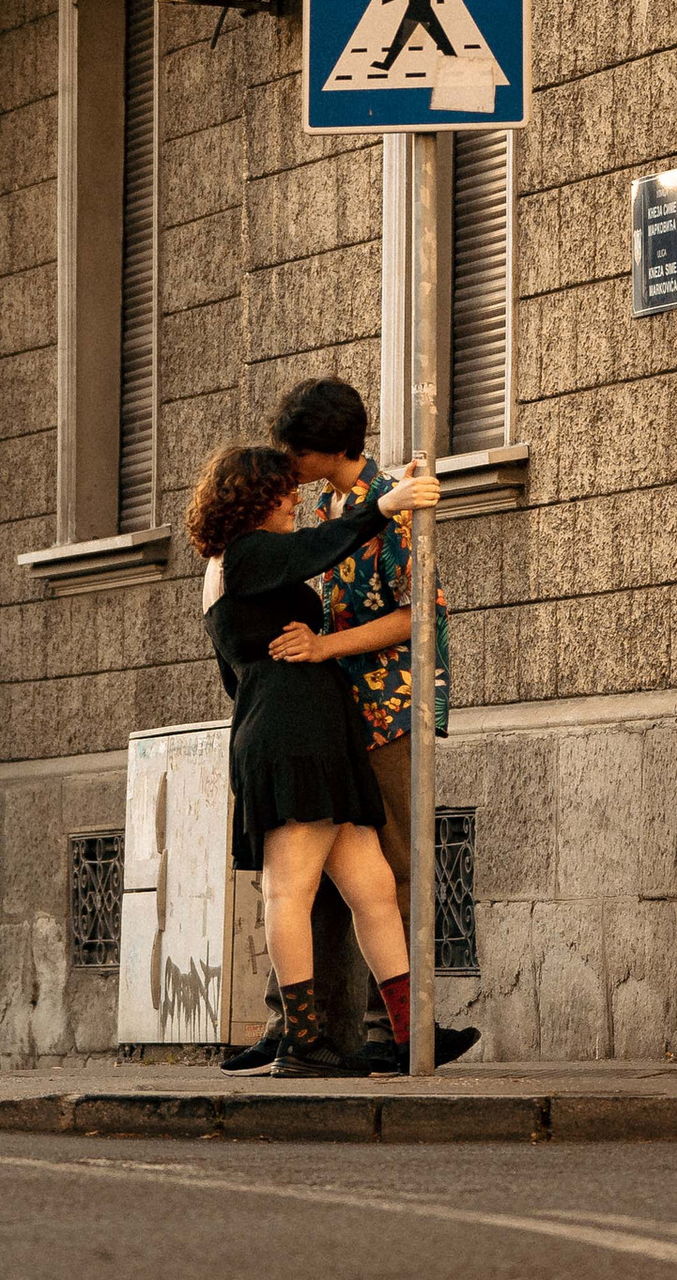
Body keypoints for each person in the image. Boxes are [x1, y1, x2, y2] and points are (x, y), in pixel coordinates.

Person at [187, 441, 441, 1077]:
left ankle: (410, 1037)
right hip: (294, 729)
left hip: (297, 726)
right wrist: (388, 502)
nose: (294, 499)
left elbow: (231, 673)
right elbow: (319, 549)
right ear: (254, 500)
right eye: (283, 491)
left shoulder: (225, 567)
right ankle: (304, 1044)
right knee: (290, 889)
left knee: (374, 888)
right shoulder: (245, 553)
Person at [267, 374, 476, 1073]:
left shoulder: (402, 508)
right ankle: (310, 1030)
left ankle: (396, 1033)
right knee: (328, 876)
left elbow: (419, 614)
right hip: (332, 716)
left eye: (296, 446)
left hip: (389, 710)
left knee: (395, 867)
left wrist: (324, 646)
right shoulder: (325, 503)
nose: (287, 458)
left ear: (327, 447)